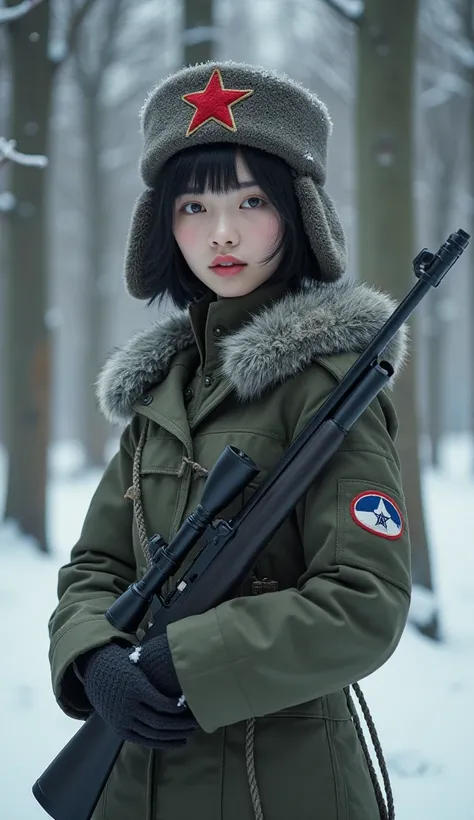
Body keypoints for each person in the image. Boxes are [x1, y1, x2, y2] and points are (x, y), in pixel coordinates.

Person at [48, 61, 411, 820]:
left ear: (299, 212)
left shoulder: (332, 388)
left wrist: (187, 657)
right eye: (193, 204)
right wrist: (96, 656)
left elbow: (363, 603)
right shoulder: (160, 389)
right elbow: (97, 563)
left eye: (251, 200)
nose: (221, 233)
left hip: (276, 788)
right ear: (162, 224)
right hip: (132, 785)